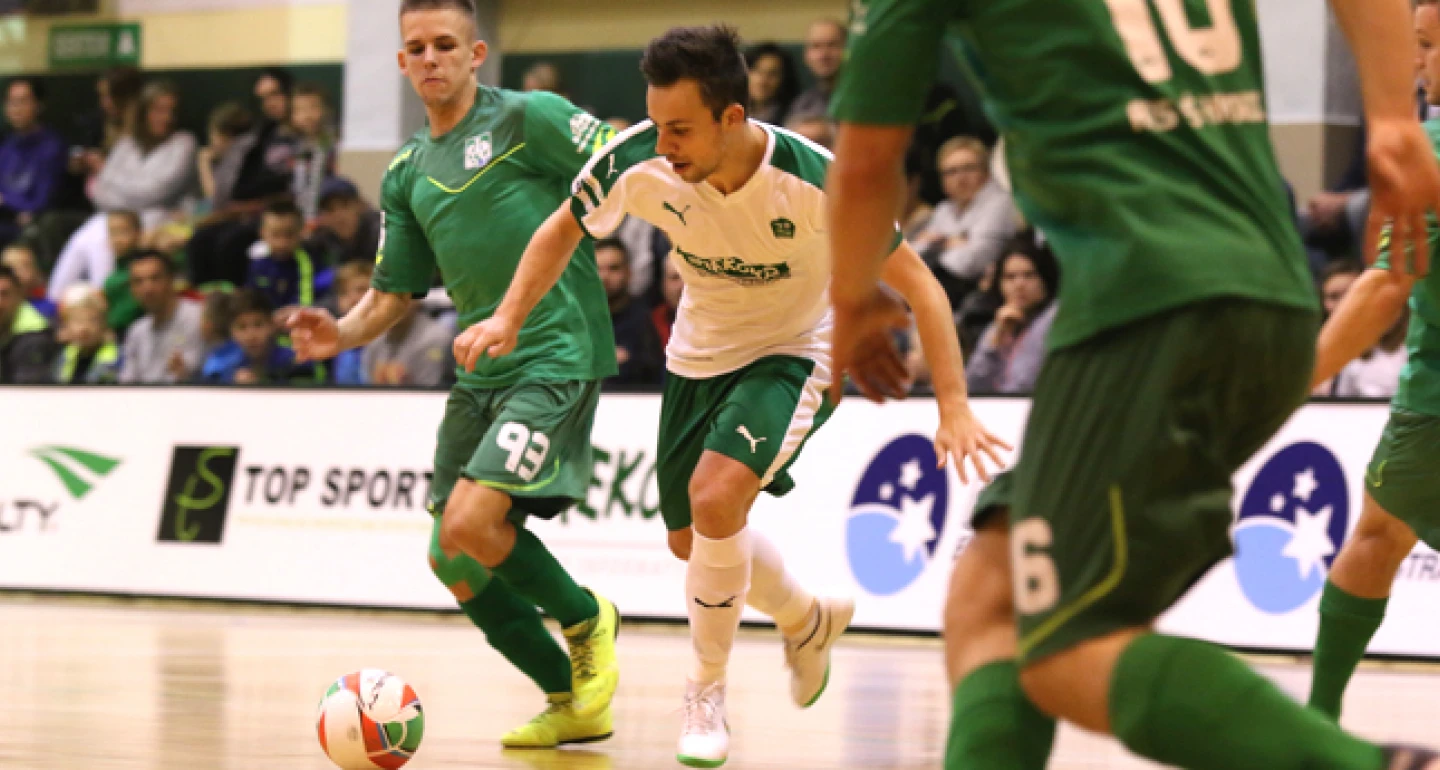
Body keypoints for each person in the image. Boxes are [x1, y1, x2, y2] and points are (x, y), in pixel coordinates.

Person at [824, 0, 1440, 768]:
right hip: (1274, 297)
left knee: (1060, 647)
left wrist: (851, 300)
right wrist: (1392, 120)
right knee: (989, 592)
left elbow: (865, 162)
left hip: (1146, 309)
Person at [462, 25, 1009, 767]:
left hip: (797, 351)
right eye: (656, 124)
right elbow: (562, 229)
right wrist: (507, 316)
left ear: (732, 117)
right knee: (693, 541)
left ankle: (705, 693)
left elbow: (922, 286)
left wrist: (954, 406)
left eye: (681, 128)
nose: (664, 145)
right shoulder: (637, 161)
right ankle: (806, 619)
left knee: (717, 499)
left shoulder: (816, 180)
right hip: (699, 355)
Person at [285, 0, 621, 750]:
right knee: (451, 553)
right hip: (481, 370)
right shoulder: (406, 170)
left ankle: (586, 619)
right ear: (402, 63)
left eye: (446, 44)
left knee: (471, 522)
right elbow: (393, 294)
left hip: (556, 352)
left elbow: (626, 166)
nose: (431, 58)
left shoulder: (529, 117)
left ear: (476, 53)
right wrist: (340, 332)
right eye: (417, 48)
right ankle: (571, 699)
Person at [1305, 0, 1440, 725]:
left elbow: (1388, 283)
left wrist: (1294, 378)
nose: (1416, 62)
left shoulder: (1431, 149)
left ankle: (1318, 721)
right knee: (1380, 534)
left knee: (1379, 537)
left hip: (1435, 402)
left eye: (1428, 46)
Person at [964, 237, 1059, 395]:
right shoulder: (1001, 321)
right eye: (1010, 277)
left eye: (1029, 275)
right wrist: (995, 340)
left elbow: (1023, 385)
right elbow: (971, 385)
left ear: (1045, 279)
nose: (1019, 284)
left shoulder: (1053, 319)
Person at [118, 250, 203, 384]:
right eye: (138, 282)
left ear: (171, 280)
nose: (147, 289)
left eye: (155, 279)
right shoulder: (136, 331)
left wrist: (186, 375)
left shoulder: (199, 318)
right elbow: (127, 383)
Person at [200, 288, 317, 385]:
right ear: (231, 331)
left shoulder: (296, 362)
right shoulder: (220, 365)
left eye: (258, 324)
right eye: (242, 327)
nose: (251, 335)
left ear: (272, 325)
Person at [0, 78, 67, 246]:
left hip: (31, 227)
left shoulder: (51, 147)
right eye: (11, 102)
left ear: (38, 105)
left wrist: (6, 200)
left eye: (22, 101)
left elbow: (41, 202)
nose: (16, 109)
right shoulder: (7, 146)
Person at [594, 238, 663, 386]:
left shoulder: (645, 320)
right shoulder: (576, 321)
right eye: (598, 269)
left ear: (628, 273)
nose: (604, 277)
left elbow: (653, 371)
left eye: (613, 268)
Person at [246, 200, 322, 310]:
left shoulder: (309, 263)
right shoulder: (257, 265)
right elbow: (250, 299)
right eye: (275, 235)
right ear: (262, 233)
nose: (282, 243)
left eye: (289, 235)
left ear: (302, 232)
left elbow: (308, 302)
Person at [52, 286, 119, 385]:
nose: (84, 328)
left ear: (104, 325)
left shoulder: (117, 358)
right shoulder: (66, 355)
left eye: (92, 321)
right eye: (78, 321)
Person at [0, 263, 54, 383]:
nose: (0, 303)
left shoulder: (36, 336)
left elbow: (26, 389)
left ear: (19, 296)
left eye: (5, 294)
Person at [745, 43, 800, 125]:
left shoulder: (794, 114)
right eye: (757, 71)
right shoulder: (731, 111)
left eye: (773, 74)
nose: (762, 81)